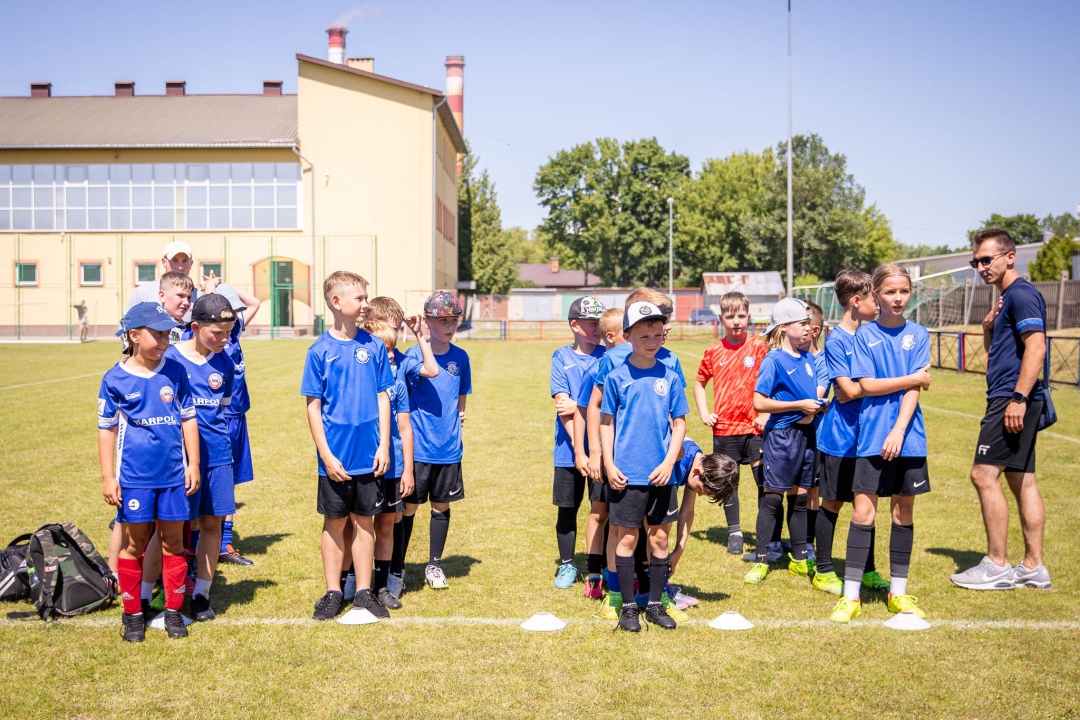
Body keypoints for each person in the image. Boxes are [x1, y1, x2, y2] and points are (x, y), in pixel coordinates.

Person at [830, 264, 933, 623]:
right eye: (890, 292)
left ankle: (898, 594)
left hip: (909, 438)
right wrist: (911, 378)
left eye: (903, 291)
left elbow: (913, 392)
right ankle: (851, 596)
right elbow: (868, 386)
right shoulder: (863, 336)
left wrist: (899, 431)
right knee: (863, 513)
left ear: (911, 293)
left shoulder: (919, 334)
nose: (897, 298)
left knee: (903, 513)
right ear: (876, 294)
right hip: (871, 437)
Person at [952, 228, 1052, 591]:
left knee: (983, 475)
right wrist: (989, 329)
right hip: (1013, 395)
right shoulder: (1008, 298)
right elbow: (1001, 356)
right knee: (1020, 478)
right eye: (975, 261)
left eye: (986, 259)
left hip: (1012, 399)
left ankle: (996, 564)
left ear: (1010, 256)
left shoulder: (1021, 294)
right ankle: (1033, 566)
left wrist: (1018, 399)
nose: (980, 267)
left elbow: (1036, 349)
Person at [98, 302, 200, 641]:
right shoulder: (114, 378)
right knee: (134, 544)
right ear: (133, 335)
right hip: (135, 479)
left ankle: (173, 612)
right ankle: (132, 614)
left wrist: (193, 463)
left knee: (173, 543)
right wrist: (108, 477)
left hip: (173, 476)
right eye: (156, 334)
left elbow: (188, 418)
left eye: (167, 334)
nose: (164, 341)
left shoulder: (175, 372)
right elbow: (107, 429)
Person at [301, 271, 394, 621]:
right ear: (337, 302)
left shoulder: (372, 345)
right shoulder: (319, 352)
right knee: (335, 523)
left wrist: (384, 444)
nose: (366, 304)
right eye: (359, 298)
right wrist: (325, 454)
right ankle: (333, 591)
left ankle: (365, 592)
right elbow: (313, 406)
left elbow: (383, 396)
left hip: (369, 456)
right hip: (335, 459)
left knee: (365, 523)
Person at [600, 301, 689, 632]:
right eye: (643, 335)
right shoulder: (615, 377)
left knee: (659, 541)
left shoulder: (670, 376)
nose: (652, 341)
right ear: (627, 336)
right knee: (626, 540)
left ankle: (654, 603)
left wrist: (669, 462)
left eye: (657, 335)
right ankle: (626, 608)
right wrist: (609, 463)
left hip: (662, 475)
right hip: (627, 475)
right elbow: (606, 423)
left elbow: (679, 424)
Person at [813, 270, 890, 595]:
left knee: (866, 503)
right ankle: (824, 570)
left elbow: (864, 386)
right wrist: (871, 386)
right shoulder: (837, 340)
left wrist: (867, 386)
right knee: (831, 503)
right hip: (840, 439)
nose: (880, 303)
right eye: (875, 297)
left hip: (869, 436)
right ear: (857, 301)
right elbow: (845, 390)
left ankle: (867, 569)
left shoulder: (874, 335)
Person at [164, 294, 237, 623]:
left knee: (212, 523)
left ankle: (201, 594)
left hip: (218, 455)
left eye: (229, 332)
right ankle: (172, 592)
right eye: (217, 333)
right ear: (195, 327)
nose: (224, 339)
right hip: (180, 459)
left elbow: (223, 407)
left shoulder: (226, 361)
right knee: (177, 526)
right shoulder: (171, 360)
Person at [362, 297, 439, 599]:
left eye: (398, 333)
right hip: (364, 455)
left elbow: (432, 370)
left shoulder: (403, 360)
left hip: (394, 455)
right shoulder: (364, 360)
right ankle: (356, 577)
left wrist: (420, 334)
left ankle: (391, 574)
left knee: (391, 519)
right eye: (392, 332)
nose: (392, 346)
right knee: (361, 520)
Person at [745, 298, 824, 585]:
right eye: (802, 323)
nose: (808, 328)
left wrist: (817, 405)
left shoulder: (809, 359)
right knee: (772, 499)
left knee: (800, 499)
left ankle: (800, 559)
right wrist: (799, 405)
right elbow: (758, 402)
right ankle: (762, 559)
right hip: (782, 438)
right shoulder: (774, 360)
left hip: (807, 437)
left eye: (809, 322)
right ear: (783, 327)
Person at [399, 291, 471, 591]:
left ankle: (434, 564)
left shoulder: (461, 357)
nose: (449, 326)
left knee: (441, 506)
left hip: (448, 449)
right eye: (442, 320)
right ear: (427, 321)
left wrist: (460, 417)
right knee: (408, 508)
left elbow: (461, 397)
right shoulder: (414, 355)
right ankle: (396, 567)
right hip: (418, 449)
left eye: (453, 320)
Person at [692, 291, 768, 556]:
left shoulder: (760, 347)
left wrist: (765, 415)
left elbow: (773, 381)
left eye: (741, 315)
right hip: (725, 429)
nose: (736, 321)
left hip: (756, 428)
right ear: (721, 318)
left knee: (764, 483)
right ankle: (734, 531)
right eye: (730, 316)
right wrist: (704, 413)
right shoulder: (713, 351)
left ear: (749, 316)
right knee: (728, 483)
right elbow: (699, 382)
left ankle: (766, 535)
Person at [550, 296, 606, 589]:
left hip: (603, 450)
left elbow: (605, 402)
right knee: (567, 508)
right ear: (574, 325)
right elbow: (562, 408)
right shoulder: (561, 357)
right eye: (592, 322)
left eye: (600, 322)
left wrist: (578, 405)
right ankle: (567, 564)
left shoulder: (608, 355)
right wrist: (578, 450)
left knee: (602, 507)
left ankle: (603, 564)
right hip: (568, 451)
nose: (598, 328)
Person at [575, 308, 625, 607]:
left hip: (630, 457)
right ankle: (594, 573)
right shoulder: (600, 368)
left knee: (627, 520)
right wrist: (588, 452)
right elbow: (584, 409)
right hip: (604, 457)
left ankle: (623, 572)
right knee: (600, 512)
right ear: (613, 336)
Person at [212, 284, 261, 567]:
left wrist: (225, 288)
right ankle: (215, 542)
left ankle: (224, 541)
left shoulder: (234, 331)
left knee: (230, 481)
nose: (232, 321)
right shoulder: (214, 340)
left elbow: (253, 302)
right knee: (220, 480)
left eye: (233, 315)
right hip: (221, 418)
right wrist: (212, 295)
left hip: (238, 416)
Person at [666, 442, 740, 614]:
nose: (698, 493)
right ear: (699, 472)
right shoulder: (679, 465)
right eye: (701, 489)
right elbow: (662, 523)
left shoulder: (698, 459)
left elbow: (687, 511)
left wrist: (678, 551)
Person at [126, 240, 201, 311]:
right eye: (174, 261)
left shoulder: (200, 296)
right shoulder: (143, 292)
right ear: (164, 262)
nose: (180, 267)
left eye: (185, 261)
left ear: (191, 263)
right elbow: (126, 322)